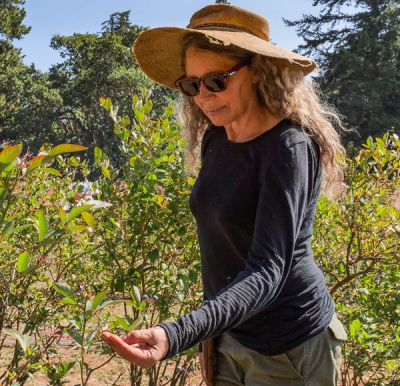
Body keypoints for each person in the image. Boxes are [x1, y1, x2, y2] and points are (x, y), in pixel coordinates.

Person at [102, 4, 348, 385]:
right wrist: (210, 333)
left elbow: (269, 268)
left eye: (217, 80)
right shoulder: (217, 137)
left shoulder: (288, 148)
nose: (202, 96)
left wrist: (177, 333)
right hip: (229, 336)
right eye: (191, 84)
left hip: (289, 345)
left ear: (258, 72)